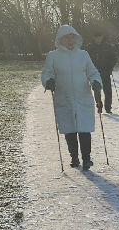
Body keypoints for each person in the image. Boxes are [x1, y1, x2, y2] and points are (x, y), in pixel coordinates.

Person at [41, 24, 103, 171]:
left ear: (76, 39)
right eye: (67, 38)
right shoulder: (53, 56)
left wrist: (96, 82)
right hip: (64, 97)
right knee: (69, 128)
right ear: (60, 39)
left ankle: (87, 159)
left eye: (72, 37)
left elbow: (92, 72)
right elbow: (46, 73)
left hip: (83, 96)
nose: (70, 40)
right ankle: (74, 157)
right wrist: (48, 81)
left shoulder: (83, 55)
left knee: (84, 127)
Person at [88, 31, 119, 113]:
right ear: (93, 37)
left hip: (106, 71)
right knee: (96, 89)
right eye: (96, 37)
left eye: (99, 36)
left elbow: (114, 58)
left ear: (102, 36)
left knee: (108, 90)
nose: (98, 38)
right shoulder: (89, 47)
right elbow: (87, 61)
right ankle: (99, 105)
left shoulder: (108, 46)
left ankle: (108, 107)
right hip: (94, 72)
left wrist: (110, 67)